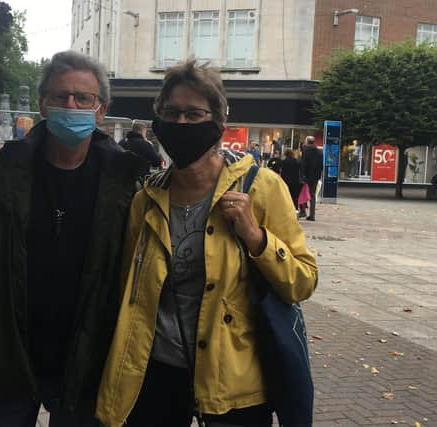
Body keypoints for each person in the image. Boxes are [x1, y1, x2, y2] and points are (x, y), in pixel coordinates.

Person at [95, 59, 318, 427]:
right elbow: (128, 289)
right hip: (156, 375)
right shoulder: (146, 200)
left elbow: (304, 280)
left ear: (218, 125)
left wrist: (256, 237)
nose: (181, 123)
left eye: (194, 114)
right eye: (172, 113)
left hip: (232, 383)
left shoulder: (261, 188)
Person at [0, 50, 145, 427]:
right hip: (7, 354)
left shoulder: (125, 181)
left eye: (83, 98)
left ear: (101, 109)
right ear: (43, 105)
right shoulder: (2, 170)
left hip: (88, 359)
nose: (71, 105)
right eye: (59, 96)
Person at [301, 136, 323, 221]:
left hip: (307, 176)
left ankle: (303, 211)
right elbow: (321, 165)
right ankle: (312, 215)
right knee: (312, 195)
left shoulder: (306, 151)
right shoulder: (319, 152)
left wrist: (302, 175)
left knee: (303, 193)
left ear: (307, 142)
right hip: (315, 176)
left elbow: (304, 164)